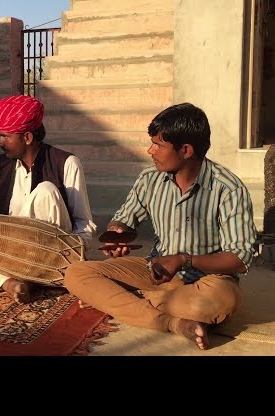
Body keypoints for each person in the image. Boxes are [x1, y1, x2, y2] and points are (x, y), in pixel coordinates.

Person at [64, 103, 258, 350]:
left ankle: (124, 299)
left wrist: (184, 260)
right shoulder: (150, 179)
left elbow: (240, 259)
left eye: (159, 145)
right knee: (76, 273)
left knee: (219, 302)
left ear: (186, 150)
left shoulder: (228, 189)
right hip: (154, 270)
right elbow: (123, 218)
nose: (150, 150)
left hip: (207, 282)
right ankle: (173, 323)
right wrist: (117, 233)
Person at [0, 95, 96, 303]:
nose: (0, 142)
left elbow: (83, 223)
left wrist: (76, 256)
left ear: (27, 137)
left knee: (46, 191)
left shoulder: (67, 163)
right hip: (7, 251)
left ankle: (38, 276)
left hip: (50, 253)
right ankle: (9, 283)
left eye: (5, 136)